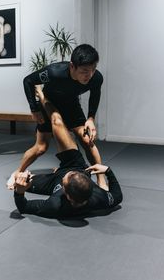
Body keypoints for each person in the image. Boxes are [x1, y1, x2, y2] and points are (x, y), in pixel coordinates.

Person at [13, 86, 123, 219]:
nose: (68, 174)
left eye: (67, 177)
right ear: (89, 187)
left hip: (52, 182)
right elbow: (118, 196)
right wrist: (108, 171)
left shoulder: (55, 205)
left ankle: (42, 96)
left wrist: (19, 192)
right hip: (75, 164)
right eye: (75, 175)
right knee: (57, 122)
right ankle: (45, 97)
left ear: (66, 194)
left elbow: (23, 207)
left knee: (19, 181)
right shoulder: (99, 199)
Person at [8, 44, 107, 190]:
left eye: (93, 69)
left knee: (87, 140)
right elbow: (28, 81)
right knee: (41, 147)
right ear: (72, 66)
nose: (89, 75)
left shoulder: (96, 78)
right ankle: (18, 172)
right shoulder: (54, 72)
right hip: (49, 104)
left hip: (72, 105)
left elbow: (95, 95)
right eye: (85, 71)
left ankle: (101, 180)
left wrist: (91, 118)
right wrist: (35, 109)